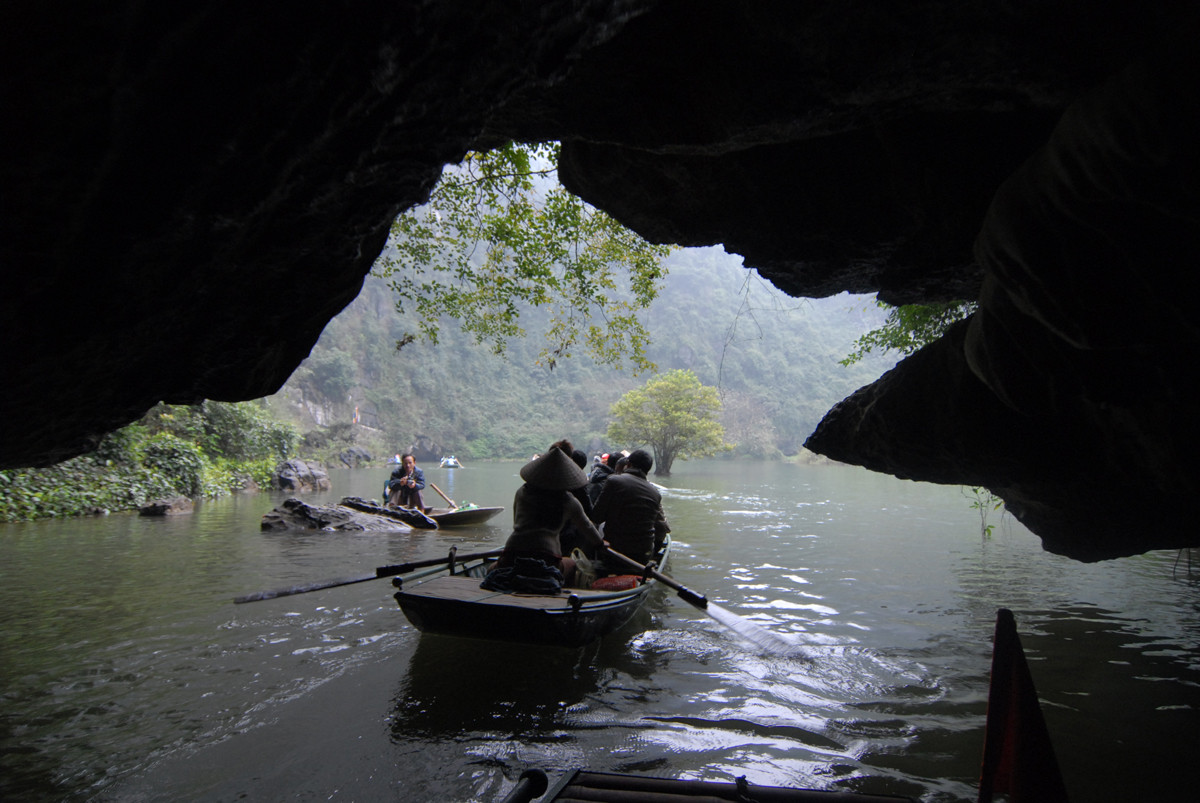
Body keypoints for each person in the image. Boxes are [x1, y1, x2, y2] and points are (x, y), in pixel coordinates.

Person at [489, 446, 604, 589]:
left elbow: (516, 522)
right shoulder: (568, 500)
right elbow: (587, 526)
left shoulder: (522, 492)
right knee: (572, 565)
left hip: (513, 551)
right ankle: (564, 600)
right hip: (548, 557)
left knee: (491, 570)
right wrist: (600, 544)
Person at [590, 449, 670, 568]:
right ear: (647, 470)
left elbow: (596, 516)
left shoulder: (613, 481)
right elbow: (662, 528)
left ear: (628, 464)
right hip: (643, 555)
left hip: (615, 552)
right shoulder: (655, 493)